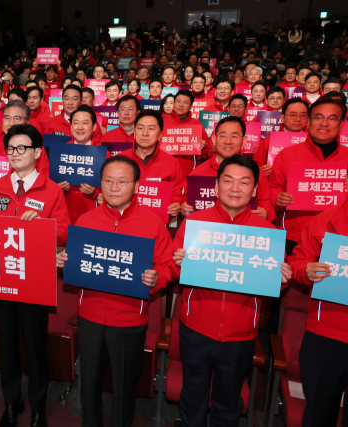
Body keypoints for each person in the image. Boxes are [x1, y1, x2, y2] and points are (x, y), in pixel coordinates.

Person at [173, 154, 292, 427]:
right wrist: (178, 263)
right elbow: (175, 271)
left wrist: (282, 278)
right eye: (228, 181)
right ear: (216, 186)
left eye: (244, 182)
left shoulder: (267, 232)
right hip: (196, 327)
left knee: (228, 402)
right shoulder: (195, 225)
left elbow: (272, 281)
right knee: (192, 397)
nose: (235, 188)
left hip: (241, 334)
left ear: (254, 190)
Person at [56, 155, 173, 427]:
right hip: (91, 317)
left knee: (124, 388)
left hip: (130, 319)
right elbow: (76, 261)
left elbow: (166, 265)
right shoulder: (86, 220)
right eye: (108, 181)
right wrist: (65, 263)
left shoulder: (152, 223)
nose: (114, 187)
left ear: (136, 186)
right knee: (90, 382)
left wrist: (157, 278)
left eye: (122, 181)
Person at [0, 124, 69, 427]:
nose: (14, 154)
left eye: (21, 148)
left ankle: (38, 406)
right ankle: (12, 402)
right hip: (2, 279)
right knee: (6, 344)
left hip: (34, 281)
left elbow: (64, 231)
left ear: (38, 153)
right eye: (10, 149)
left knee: (36, 347)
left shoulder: (51, 191)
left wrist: (41, 222)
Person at [287, 174, 348, 427]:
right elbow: (297, 262)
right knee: (319, 413)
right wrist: (306, 270)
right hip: (326, 334)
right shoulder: (323, 221)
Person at [269, 98, 348, 255]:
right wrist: (277, 198)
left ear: (341, 124)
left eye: (332, 118)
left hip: (340, 239)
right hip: (294, 237)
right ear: (309, 121)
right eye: (318, 117)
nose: (324, 123)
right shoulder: (287, 154)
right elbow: (272, 187)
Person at [182, 116, 275, 221]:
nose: (228, 141)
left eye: (234, 136)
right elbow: (184, 200)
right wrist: (183, 207)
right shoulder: (197, 173)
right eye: (223, 136)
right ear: (214, 139)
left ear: (244, 141)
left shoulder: (256, 171)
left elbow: (266, 203)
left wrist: (266, 213)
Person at [117, 110, 184, 217]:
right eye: (140, 128)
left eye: (151, 128)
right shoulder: (119, 160)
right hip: (124, 221)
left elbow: (176, 194)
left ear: (160, 135)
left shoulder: (171, 163)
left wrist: (175, 204)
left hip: (157, 222)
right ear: (134, 132)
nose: (145, 133)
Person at [58, 105, 105, 224]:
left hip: (91, 218)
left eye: (85, 123)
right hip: (62, 216)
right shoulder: (59, 152)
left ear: (94, 127)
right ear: (71, 126)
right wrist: (57, 189)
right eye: (76, 123)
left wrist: (95, 193)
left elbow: (109, 191)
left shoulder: (104, 155)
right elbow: (47, 186)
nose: (79, 127)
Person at [0, 100, 49, 176]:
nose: (11, 123)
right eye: (7, 118)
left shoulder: (36, 149)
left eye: (17, 118)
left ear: (27, 122)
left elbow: (43, 179)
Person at [253, 98, 309, 177]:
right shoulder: (268, 141)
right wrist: (260, 172)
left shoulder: (314, 141)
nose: (298, 119)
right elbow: (255, 167)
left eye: (303, 115)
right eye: (293, 115)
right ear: (282, 118)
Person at [164, 89, 209, 177]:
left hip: (188, 171)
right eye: (178, 101)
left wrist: (203, 146)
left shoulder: (197, 125)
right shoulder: (163, 123)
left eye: (185, 102)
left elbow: (206, 150)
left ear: (191, 106)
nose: (181, 105)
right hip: (165, 169)